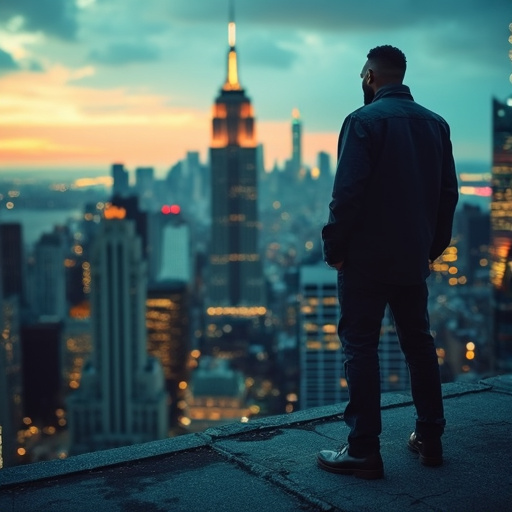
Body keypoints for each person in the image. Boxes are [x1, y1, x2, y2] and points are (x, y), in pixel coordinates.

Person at [317, 45, 458, 480]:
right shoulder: (436, 124)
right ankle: (430, 438)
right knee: (419, 344)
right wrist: (428, 250)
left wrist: (334, 249)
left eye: (364, 76)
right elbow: (447, 198)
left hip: (364, 260)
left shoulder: (362, 122)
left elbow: (347, 196)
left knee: (360, 346)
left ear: (370, 77)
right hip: (411, 257)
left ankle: (362, 448)